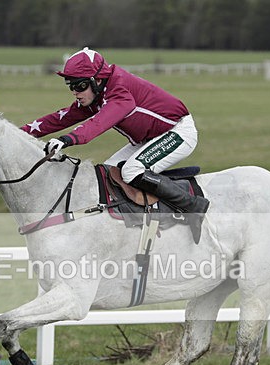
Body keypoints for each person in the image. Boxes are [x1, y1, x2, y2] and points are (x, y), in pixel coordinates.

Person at [21, 47, 209, 242]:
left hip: (177, 132)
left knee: (131, 171)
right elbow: (60, 118)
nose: (75, 93)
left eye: (80, 86)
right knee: (109, 172)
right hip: (150, 138)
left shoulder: (120, 91)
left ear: (97, 80)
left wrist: (67, 139)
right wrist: (18, 132)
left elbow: (100, 123)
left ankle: (193, 206)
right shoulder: (96, 94)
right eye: (71, 86)